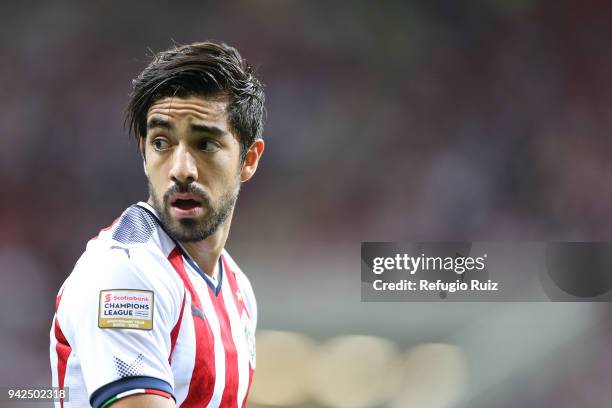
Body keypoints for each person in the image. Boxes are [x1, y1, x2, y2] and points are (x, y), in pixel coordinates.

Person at [50, 41, 265, 408]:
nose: (181, 169)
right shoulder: (125, 274)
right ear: (144, 153)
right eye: (162, 142)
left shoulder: (237, 286)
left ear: (248, 159)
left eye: (205, 144)